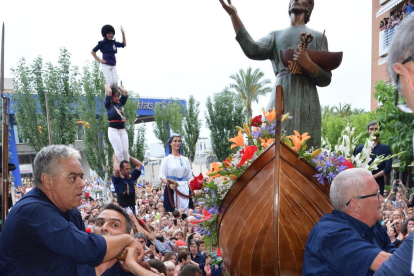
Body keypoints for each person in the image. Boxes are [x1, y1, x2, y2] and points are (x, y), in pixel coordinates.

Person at [0, 145, 143, 276]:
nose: (82, 184)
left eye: (81, 177)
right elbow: (89, 251)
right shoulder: (34, 211)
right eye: (73, 178)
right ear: (47, 181)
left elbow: (82, 264)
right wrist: (127, 240)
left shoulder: (70, 212)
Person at [219, 0, 331, 148]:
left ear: (309, 7)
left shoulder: (317, 37)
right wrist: (234, 15)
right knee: (272, 142)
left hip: (307, 100)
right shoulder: (276, 36)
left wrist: (308, 64)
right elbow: (252, 49)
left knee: (306, 150)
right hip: (281, 95)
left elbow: (326, 78)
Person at [303, 168, 396, 276]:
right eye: (376, 194)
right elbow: (390, 264)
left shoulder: (375, 226)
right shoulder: (331, 234)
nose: (382, 199)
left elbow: (396, 256)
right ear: (355, 204)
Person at [78, 204, 158, 276]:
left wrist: (133, 266)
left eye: (114, 225)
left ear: (127, 234)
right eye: (100, 223)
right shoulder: (75, 259)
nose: (104, 228)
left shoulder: (133, 270)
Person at [354, 120, 392, 196]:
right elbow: (354, 166)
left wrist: (373, 176)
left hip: (378, 184)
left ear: (380, 130)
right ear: (368, 131)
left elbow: (387, 168)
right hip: (362, 184)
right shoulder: (361, 148)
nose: (374, 131)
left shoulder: (385, 148)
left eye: (376, 129)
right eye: (371, 129)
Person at [159, 135, 193, 212]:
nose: (177, 143)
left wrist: (194, 188)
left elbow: (189, 176)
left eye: (179, 141)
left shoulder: (185, 159)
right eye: (175, 141)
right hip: (172, 187)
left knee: (188, 210)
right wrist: (168, 184)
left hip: (184, 188)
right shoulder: (166, 160)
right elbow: (161, 175)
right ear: (170, 143)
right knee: (173, 211)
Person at [105, 84, 131, 164]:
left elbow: (125, 92)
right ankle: (120, 171)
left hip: (122, 130)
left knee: (125, 151)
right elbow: (109, 91)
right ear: (111, 97)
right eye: (115, 96)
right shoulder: (108, 105)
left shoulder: (120, 104)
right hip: (113, 130)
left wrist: (118, 86)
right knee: (119, 152)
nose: (117, 98)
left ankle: (127, 170)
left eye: (117, 96)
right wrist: (106, 84)